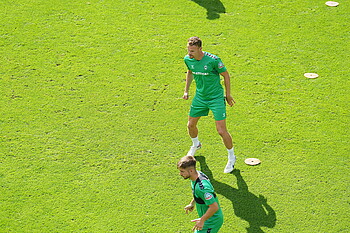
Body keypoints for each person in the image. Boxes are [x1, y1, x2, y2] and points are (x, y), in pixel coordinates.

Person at [182, 36, 236, 173]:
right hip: (200, 97)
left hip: (216, 98)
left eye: (193, 51)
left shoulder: (213, 60)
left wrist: (228, 95)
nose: (190, 53)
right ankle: (196, 144)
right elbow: (190, 72)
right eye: (189, 50)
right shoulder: (188, 59)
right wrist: (186, 91)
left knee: (221, 130)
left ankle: (231, 157)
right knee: (190, 125)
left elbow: (226, 75)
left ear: (200, 49)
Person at [178, 155, 224, 233]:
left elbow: (214, 207)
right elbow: (198, 194)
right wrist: (192, 203)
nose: (180, 174)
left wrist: (202, 220)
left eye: (182, 171)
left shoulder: (202, 188)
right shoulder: (196, 176)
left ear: (191, 171)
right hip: (208, 219)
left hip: (211, 221)